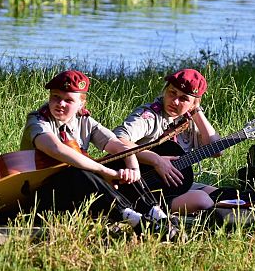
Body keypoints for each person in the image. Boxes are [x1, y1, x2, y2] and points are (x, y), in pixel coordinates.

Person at [19, 70, 174, 237]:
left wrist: (133, 170)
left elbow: (118, 145)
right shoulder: (38, 120)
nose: (60, 104)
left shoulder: (84, 121)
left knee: (121, 164)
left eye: (68, 100)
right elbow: (57, 149)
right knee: (76, 172)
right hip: (39, 196)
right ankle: (134, 219)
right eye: (56, 97)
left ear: (81, 104)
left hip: (75, 196)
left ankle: (159, 216)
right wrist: (104, 171)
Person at [113, 68, 219, 214]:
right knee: (202, 199)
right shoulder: (149, 116)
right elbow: (118, 139)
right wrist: (156, 160)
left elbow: (217, 150)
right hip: (140, 187)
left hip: (171, 185)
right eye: (172, 93)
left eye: (184, 99)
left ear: (194, 104)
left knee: (217, 193)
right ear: (165, 91)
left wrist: (196, 112)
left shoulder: (189, 120)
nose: (175, 101)